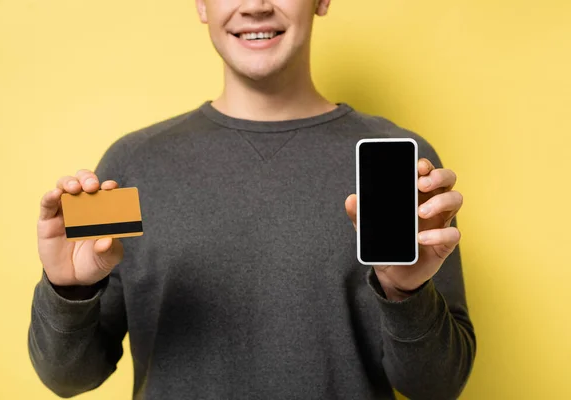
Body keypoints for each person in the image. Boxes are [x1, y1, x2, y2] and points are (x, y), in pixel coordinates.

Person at [28, 1, 476, 399]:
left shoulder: (401, 164)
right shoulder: (133, 163)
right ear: (201, 4)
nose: (255, 5)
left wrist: (406, 292)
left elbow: (436, 387)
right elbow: (68, 379)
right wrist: (70, 291)